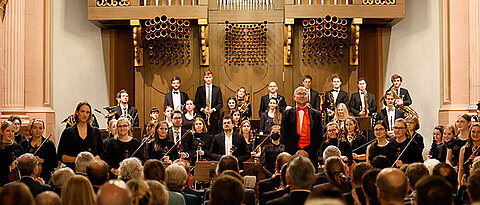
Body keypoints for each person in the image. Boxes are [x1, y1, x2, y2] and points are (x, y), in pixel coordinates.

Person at [281, 86, 323, 168]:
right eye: (299, 94)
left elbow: (319, 136)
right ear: (294, 97)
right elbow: (284, 136)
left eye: (304, 94)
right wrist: (298, 152)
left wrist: (307, 152)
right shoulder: (286, 114)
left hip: (310, 155)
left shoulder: (317, 114)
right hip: (292, 155)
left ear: (308, 97)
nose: (302, 96)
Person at [57, 101, 103, 170]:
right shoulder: (68, 132)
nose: (85, 115)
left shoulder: (96, 131)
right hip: (73, 170)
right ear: (77, 112)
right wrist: (80, 161)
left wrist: (93, 159)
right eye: (82, 111)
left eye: (87, 112)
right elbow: (61, 156)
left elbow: (101, 153)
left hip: (92, 170)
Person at [20, 118, 57, 183]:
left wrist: (43, 161)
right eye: (35, 128)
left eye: (40, 128)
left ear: (43, 130)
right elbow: (19, 161)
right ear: (31, 129)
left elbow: (55, 164)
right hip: (26, 178)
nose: (38, 130)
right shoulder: (24, 143)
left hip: (45, 178)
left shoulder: (49, 144)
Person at [194, 70, 223, 135]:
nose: (208, 79)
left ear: (212, 78)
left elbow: (220, 103)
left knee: (213, 134)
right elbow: (196, 102)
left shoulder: (217, 89)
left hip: (214, 116)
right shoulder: (200, 89)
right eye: (206, 77)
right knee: (204, 134)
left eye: (210, 77)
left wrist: (213, 110)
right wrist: (203, 110)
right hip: (203, 116)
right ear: (204, 78)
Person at [0, 121, 24, 186]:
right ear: (2, 132)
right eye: (8, 131)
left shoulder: (18, 147)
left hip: (16, 181)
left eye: (12, 131)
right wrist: (9, 168)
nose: (10, 134)